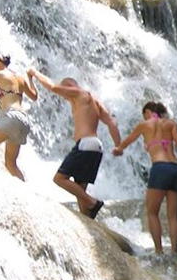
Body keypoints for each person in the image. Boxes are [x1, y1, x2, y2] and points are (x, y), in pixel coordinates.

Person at [28, 68, 120, 219]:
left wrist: (35, 74)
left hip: (85, 144)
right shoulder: (95, 102)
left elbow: (52, 87)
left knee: (59, 179)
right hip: (96, 147)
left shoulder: (79, 93)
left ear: (70, 85)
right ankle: (88, 218)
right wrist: (118, 145)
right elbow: (112, 123)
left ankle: (94, 202)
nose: (66, 98)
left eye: (66, 94)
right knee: (80, 193)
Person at [113, 101, 177, 254]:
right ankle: (174, 251)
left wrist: (119, 148)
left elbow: (129, 140)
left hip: (160, 168)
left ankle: (159, 251)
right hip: (176, 168)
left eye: (144, 113)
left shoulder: (144, 124)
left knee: (152, 212)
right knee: (173, 214)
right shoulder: (171, 124)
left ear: (148, 112)